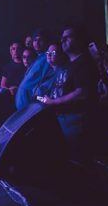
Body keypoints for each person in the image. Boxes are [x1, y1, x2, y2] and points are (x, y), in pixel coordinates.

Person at [41, 25, 98, 163]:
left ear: (79, 39)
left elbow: (82, 92)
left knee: (77, 161)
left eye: (68, 37)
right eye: (62, 37)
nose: (63, 40)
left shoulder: (84, 63)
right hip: (66, 120)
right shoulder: (70, 64)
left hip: (77, 120)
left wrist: (53, 102)